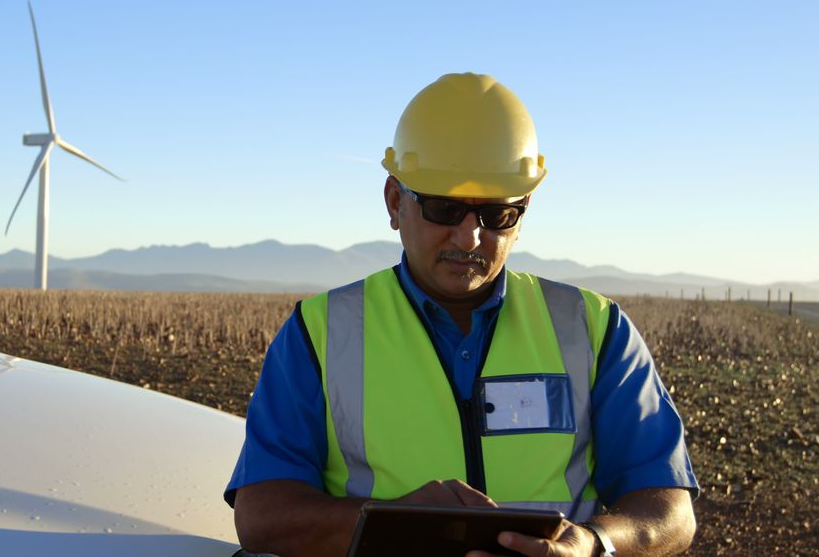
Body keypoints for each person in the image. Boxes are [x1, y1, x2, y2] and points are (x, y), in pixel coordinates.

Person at [224, 73, 699, 557]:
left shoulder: (595, 329)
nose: (470, 238)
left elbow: (671, 514)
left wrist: (593, 545)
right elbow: (263, 514)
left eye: (496, 215)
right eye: (444, 208)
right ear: (395, 202)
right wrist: (395, 526)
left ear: (523, 212)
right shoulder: (319, 332)